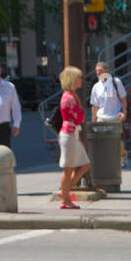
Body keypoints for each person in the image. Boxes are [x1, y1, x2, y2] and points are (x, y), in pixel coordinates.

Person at [56, 65, 89, 210]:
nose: (81, 80)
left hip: (72, 134)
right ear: (73, 80)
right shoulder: (69, 97)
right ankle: (65, 198)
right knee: (68, 168)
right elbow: (79, 117)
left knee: (84, 164)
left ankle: (64, 192)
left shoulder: (71, 96)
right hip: (69, 134)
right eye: (79, 78)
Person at [89, 60, 128, 167]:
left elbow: (123, 99)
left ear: (106, 71)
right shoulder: (96, 87)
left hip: (115, 116)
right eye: (96, 71)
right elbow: (94, 106)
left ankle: (122, 154)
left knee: (117, 141)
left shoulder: (116, 82)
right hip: (101, 117)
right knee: (101, 141)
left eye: (100, 71)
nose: (97, 73)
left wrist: (124, 112)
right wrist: (93, 121)